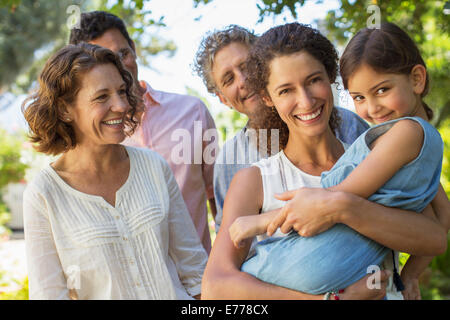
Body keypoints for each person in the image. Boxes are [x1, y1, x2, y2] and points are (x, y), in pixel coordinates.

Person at [228, 22, 446, 297]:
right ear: (267, 98)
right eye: (359, 97)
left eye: (314, 80)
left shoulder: (394, 143)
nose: (306, 102)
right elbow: (218, 289)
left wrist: (268, 219)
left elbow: (436, 234)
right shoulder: (255, 180)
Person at [22, 43, 208, 299]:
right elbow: (49, 294)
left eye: (122, 92)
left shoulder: (153, 166)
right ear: (65, 109)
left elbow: (195, 271)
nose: (121, 105)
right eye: (102, 97)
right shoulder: (44, 194)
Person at [193, 25, 369, 232]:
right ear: (223, 99)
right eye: (229, 79)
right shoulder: (230, 160)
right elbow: (235, 240)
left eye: (247, 66)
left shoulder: (347, 123)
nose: (244, 80)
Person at [69, 11, 217, 254]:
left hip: (198, 278)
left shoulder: (193, 112)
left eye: (122, 54)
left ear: (134, 48)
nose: (118, 68)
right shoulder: (86, 138)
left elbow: (216, 194)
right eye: (102, 62)